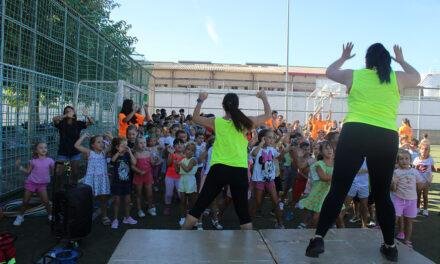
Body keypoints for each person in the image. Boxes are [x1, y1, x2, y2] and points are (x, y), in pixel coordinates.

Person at [306, 43, 420, 262]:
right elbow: (416, 76)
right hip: (385, 136)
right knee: (382, 195)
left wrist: (343, 57)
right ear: (387, 60)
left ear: (368, 61)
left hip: (355, 131)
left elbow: (329, 72)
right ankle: (390, 246)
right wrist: (401, 60)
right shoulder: (397, 77)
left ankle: (319, 238)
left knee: (338, 189)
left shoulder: (355, 75)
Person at [182, 89, 272, 230]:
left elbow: (195, 117)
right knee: (243, 214)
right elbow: (268, 115)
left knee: (198, 207)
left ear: (223, 106)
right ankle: (247, 250)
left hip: (219, 169)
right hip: (239, 170)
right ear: (237, 106)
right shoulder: (246, 122)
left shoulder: (216, 122)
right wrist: (264, 97)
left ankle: (181, 239)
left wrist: (201, 100)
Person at [74, 132, 112, 225]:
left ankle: (104, 216)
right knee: (89, 199)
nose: (102, 144)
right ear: (92, 145)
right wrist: (83, 136)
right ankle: (85, 216)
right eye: (98, 142)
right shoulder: (89, 152)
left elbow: (112, 146)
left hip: (102, 179)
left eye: (102, 142)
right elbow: (76, 145)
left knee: (103, 198)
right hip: (91, 179)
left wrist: (110, 138)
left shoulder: (104, 152)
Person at [13, 142, 54, 226]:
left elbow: (54, 172)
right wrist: (19, 166)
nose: (43, 149)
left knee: (46, 202)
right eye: (41, 148)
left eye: (45, 147)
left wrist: (66, 167)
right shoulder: (33, 161)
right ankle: (20, 216)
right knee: (25, 201)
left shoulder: (50, 161)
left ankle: (50, 215)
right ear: (36, 150)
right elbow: (28, 171)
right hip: (31, 183)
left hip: (42, 185)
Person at [251, 129, 284, 229]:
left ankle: (280, 223)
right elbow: (254, 154)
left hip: (270, 179)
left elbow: (280, 158)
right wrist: (261, 143)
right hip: (259, 179)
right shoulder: (257, 148)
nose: (272, 139)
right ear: (263, 138)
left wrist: (283, 152)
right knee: (257, 202)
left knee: (276, 201)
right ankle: (248, 223)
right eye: (269, 137)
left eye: (273, 137)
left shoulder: (272, 149)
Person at [53, 106, 93, 185]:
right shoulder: (61, 123)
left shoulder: (78, 123)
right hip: (63, 152)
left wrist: (87, 115)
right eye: (67, 111)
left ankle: (72, 186)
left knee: (74, 172)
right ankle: (59, 190)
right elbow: (54, 119)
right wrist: (66, 116)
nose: (70, 113)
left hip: (75, 152)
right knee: (59, 172)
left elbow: (91, 122)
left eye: (71, 111)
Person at [391, 149, 422, 247]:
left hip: (412, 201)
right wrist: (393, 183)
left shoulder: (415, 172)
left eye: (406, 159)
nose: (404, 161)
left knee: (409, 222)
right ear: (397, 161)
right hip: (399, 200)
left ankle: (407, 241)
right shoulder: (396, 172)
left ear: (410, 160)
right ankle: (389, 239)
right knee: (394, 219)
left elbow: (420, 184)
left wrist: (416, 189)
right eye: (401, 159)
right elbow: (393, 189)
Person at [110, 137, 138, 229]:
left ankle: (127, 217)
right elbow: (112, 161)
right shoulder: (115, 155)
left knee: (128, 201)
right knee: (117, 202)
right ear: (117, 147)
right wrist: (119, 152)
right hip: (117, 182)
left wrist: (129, 152)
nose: (125, 147)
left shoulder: (127, 154)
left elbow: (134, 162)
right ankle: (115, 219)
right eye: (123, 145)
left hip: (127, 182)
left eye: (126, 145)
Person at [132, 137, 158, 218]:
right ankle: (139, 209)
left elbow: (152, 164)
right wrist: (139, 171)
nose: (143, 144)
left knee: (149, 194)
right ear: (136, 144)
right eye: (140, 143)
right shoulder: (135, 154)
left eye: (144, 142)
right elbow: (132, 166)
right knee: (138, 194)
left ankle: (150, 208)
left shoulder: (148, 152)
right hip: (138, 176)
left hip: (148, 175)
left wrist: (155, 160)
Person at [177, 143, 198, 227]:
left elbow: (187, 169)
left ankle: (194, 219)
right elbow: (178, 171)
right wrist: (176, 165)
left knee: (192, 202)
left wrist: (180, 163)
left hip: (190, 181)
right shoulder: (183, 159)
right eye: (188, 149)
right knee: (183, 201)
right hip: (182, 180)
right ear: (185, 150)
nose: (190, 151)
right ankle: (183, 218)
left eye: (193, 150)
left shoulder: (193, 160)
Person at [413, 143, 435, 217]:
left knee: (425, 196)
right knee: (418, 195)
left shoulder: (430, 159)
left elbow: (432, 169)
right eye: (423, 149)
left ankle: (425, 209)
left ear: (429, 151)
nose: (424, 151)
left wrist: (429, 180)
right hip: (418, 182)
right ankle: (417, 208)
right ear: (420, 150)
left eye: (426, 149)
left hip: (426, 182)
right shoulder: (416, 159)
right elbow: (414, 170)